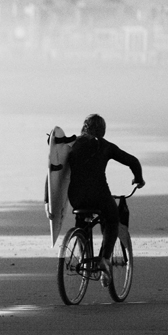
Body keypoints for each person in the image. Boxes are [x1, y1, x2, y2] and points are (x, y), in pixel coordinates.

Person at [67, 114, 145, 286]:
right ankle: (104, 259)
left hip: (76, 197)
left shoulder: (72, 145)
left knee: (81, 218)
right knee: (112, 219)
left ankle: (82, 249)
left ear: (84, 127)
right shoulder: (105, 146)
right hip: (99, 195)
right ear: (102, 131)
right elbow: (133, 161)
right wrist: (138, 179)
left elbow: (55, 171)